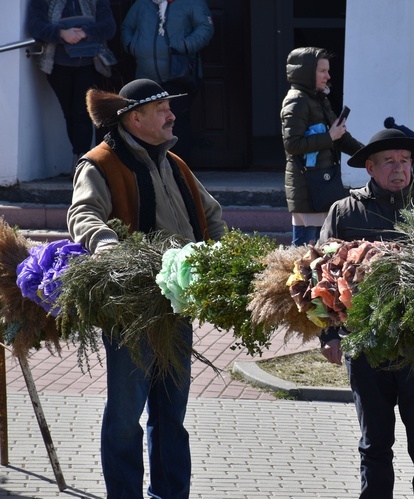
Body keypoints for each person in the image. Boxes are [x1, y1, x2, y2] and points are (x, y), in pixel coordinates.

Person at [67, 78, 226, 498]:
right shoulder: (99, 163)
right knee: (124, 416)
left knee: (170, 414)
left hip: (177, 305)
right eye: (163, 110)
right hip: (131, 312)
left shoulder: (175, 163)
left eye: (170, 108)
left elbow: (213, 215)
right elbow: (83, 214)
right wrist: (107, 246)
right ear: (134, 118)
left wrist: (227, 257)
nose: (172, 115)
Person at [318, 128, 414, 498]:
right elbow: (323, 276)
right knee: (374, 446)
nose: (400, 168)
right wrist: (329, 335)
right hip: (366, 346)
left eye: (406, 161)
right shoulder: (345, 211)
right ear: (370, 167)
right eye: (390, 161)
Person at [281, 46, 363, 246]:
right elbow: (292, 144)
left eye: (327, 70)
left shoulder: (319, 98)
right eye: (322, 71)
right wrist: (329, 136)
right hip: (308, 187)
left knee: (321, 249)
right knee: (303, 251)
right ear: (308, 72)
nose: (328, 76)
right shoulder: (297, 101)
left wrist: (370, 155)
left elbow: (340, 137)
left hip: (322, 184)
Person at [121, 0, 215, 162]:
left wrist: (184, 46)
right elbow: (126, 27)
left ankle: (178, 166)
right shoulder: (142, 4)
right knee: (145, 121)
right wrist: (132, 45)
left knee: (175, 120)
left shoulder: (193, 3)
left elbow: (205, 28)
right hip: (146, 75)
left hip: (179, 75)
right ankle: (151, 164)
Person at [27, 0, 116, 170]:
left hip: (89, 63)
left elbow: (109, 26)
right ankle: (80, 156)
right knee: (69, 112)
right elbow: (35, 25)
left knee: (81, 112)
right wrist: (61, 33)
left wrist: (84, 32)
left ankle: (82, 158)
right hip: (58, 65)